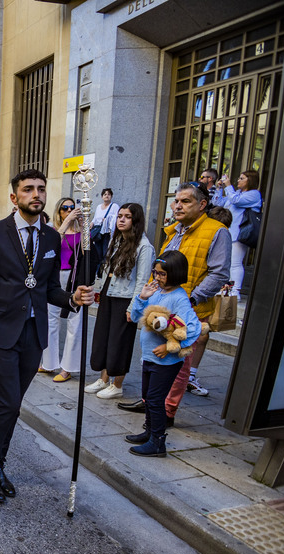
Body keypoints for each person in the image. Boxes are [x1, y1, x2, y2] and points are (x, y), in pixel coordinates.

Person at [0, 169, 94, 504]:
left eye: (41, 189)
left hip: (33, 334)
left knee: (14, 405)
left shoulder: (52, 238)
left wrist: (72, 298)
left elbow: (49, 288)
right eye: (28, 190)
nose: (36, 195)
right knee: (8, 402)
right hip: (1, 334)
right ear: (14, 197)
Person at [120, 182, 229, 414]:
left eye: (185, 201)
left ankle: (166, 412)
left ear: (202, 204)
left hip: (187, 308)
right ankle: (150, 402)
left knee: (178, 363)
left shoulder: (217, 231)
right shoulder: (175, 229)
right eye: (176, 201)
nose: (178, 206)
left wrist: (192, 299)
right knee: (153, 358)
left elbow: (219, 273)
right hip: (161, 306)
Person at [126, 251, 200, 457]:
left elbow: (193, 329)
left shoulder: (180, 299)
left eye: (162, 274)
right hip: (149, 357)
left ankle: (158, 442)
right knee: (147, 398)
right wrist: (142, 297)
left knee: (156, 400)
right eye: (155, 273)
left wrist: (168, 347)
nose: (157, 278)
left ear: (175, 274)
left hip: (166, 361)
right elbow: (134, 317)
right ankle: (149, 433)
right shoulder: (156, 293)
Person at [86, 203, 154, 400]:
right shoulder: (116, 241)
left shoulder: (144, 246)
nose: (121, 220)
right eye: (120, 216)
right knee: (103, 338)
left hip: (125, 299)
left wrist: (134, 307)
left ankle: (118, 384)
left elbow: (142, 280)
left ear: (136, 220)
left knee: (120, 342)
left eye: (127, 217)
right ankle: (104, 379)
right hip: (109, 294)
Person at [39, 197, 85, 382]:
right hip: (57, 276)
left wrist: (83, 227)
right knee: (51, 320)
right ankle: (48, 363)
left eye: (72, 208)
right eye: (65, 208)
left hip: (76, 278)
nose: (69, 211)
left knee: (75, 322)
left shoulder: (82, 232)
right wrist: (66, 223)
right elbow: (51, 245)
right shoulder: (53, 231)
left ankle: (68, 368)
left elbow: (87, 254)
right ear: (59, 211)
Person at [212, 169, 261, 297]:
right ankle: (226, 289)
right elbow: (218, 203)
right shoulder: (236, 193)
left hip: (240, 234)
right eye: (239, 178)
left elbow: (235, 200)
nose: (238, 180)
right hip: (228, 232)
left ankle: (236, 291)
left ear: (250, 181)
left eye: (242, 178)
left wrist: (228, 186)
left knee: (235, 263)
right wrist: (219, 189)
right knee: (226, 263)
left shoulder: (254, 194)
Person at [91, 188, 118, 256]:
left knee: (106, 251)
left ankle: (104, 265)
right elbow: (95, 218)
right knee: (97, 251)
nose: (107, 196)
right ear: (102, 196)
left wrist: (107, 220)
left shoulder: (114, 206)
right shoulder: (99, 207)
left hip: (107, 233)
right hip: (98, 231)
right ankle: (98, 265)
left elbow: (117, 218)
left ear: (111, 196)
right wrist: (91, 223)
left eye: (109, 194)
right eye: (105, 194)